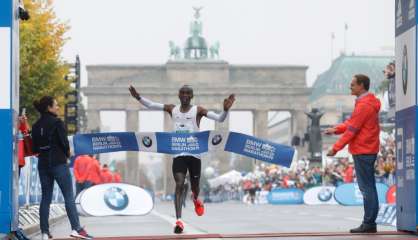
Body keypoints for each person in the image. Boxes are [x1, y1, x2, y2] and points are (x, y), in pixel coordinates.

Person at [129, 84, 235, 234]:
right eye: (182, 93)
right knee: (179, 183)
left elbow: (219, 119)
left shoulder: (197, 110)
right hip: (178, 153)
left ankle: (195, 197)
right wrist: (138, 97)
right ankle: (179, 221)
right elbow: (152, 105)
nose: (185, 95)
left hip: (194, 154)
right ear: (178, 95)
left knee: (195, 187)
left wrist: (225, 110)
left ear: (192, 96)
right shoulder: (173, 109)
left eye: (188, 93)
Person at [324, 74, 381, 233]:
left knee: (366, 188)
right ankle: (369, 222)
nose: (350, 87)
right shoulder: (366, 103)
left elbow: (352, 130)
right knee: (368, 187)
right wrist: (336, 129)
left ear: (361, 85)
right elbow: (351, 123)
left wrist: (335, 148)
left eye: (352, 85)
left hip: (363, 149)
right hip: (366, 149)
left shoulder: (364, 105)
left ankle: (369, 223)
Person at [31, 96, 93, 239]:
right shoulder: (57, 122)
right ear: (49, 107)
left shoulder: (35, 126)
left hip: (43, 164)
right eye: (56, 105)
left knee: (45, 198)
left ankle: (44, 232)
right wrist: (67, 153)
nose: (58, 107)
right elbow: (64, 143)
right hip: (58, 162)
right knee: (68, 197)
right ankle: (76, 229)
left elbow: (35, 148)